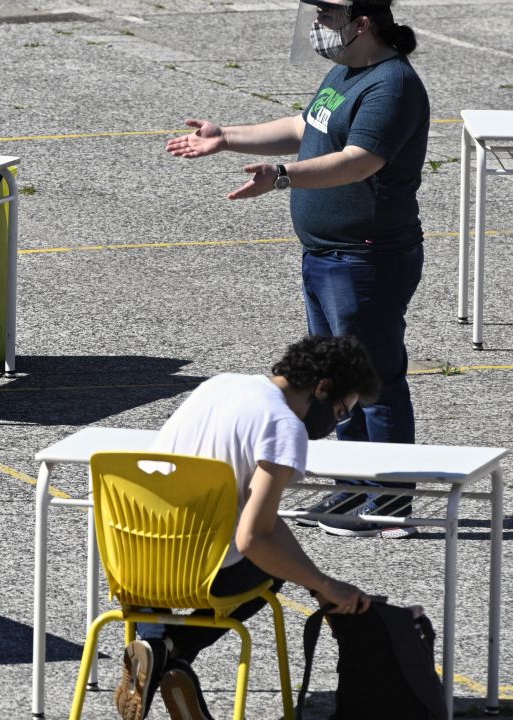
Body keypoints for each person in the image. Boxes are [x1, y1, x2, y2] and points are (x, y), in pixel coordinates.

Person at [164, 0, 427, 538]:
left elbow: (359, 161)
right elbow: (305, 127)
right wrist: (227, 137)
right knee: (341, 376)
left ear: (363, 25)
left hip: (366, 257)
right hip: (327, 253)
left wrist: (283, 177)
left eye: (328, 16)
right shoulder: (348, 71)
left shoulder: (392, 85)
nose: (318, 25)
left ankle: (391, 503)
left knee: (375, 376)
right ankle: (355, 487)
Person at [114, 335, 379, 720]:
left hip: (134, 561)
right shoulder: (284, 426)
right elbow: (255, 538)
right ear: (323, 388)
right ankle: (175, 650)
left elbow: (261, 521)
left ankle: (154, 644)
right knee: (273, 574)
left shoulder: (219, 384)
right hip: (201, 572)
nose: (338, 421)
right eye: (341, 410)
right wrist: (324, 585)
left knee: (267, 559)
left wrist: (317, 580)